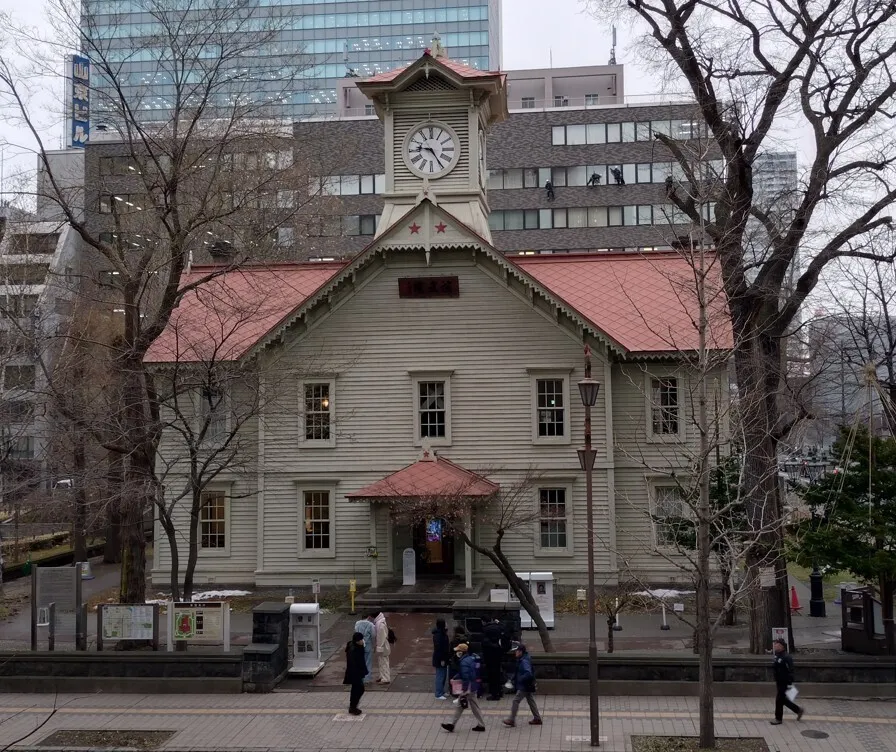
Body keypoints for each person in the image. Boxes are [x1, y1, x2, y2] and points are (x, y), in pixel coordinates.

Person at [441, 643, 486, 733]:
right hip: (472, 685)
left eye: (458, 651)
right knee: (468, 706)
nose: (456, 653)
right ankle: (453, 724)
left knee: (467, 706)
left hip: (469, 688)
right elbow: (465, 673)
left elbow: (465, 676)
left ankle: (452, 725)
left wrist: (465, 690)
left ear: (462, 652)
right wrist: (456, 677)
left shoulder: (464, 662)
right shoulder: (470, 659)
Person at [503, 642, 542, 727]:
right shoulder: (523, 658)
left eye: (516, 651)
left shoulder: (524, 661)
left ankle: (511, 720)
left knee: (515, 701)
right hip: (528, 684)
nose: (515, 652)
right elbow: (518, 671)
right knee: (530, 700)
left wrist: (520, 679)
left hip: (525, 685)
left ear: (521, 652)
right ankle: (537, 718)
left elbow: (528, 673)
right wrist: (513, 679)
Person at [771, 638, 804, 725]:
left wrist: (790, 682)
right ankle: (798, 710)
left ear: (782, 646)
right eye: (775, 644)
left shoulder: (786, 657)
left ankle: (778, 718)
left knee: (779, 700)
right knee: (783, 700)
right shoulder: (777, 655)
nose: (775, 646)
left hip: (784, 681)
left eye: (777, 645)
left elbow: (791, 670)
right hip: (779, 681)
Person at [343, 631, 369, 716]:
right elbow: (355, 663)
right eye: (361, 640)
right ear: (357, 641)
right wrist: (359, 673)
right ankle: (353, 707)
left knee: (356, 689)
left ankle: (353, 706)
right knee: (359, 689)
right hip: (355, 673)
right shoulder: (354, 650)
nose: (362, 641)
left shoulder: (356, 646)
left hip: (356, 673)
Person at [482, 617, 508, 700]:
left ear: (483, 622)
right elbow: (506, 630)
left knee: (492, 675)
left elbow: (485, 642)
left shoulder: (485, 629)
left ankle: (494, 694)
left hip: (490, 655)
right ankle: (499, 691)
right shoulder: (498, 627)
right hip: (498, 653)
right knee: (497, 673)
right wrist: (499, 622)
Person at [432, 617, 451, 699]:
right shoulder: (439, 635)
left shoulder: (441, 634)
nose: (447, 624)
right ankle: (438, 693)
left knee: (443, 675)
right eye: (445, 623)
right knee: (440, 676)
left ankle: (441, 691)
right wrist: (442, 659)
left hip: (443, 658)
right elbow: (439, 649)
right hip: (440, 659)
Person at [353, 612, 375, 683]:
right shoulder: (370, 624)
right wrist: (374, 644)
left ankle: (360, 677)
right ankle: (366, 679)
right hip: (368, 645)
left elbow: (356, 633)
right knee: (368, 662)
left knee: (360, 662)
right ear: (368, 617)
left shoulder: (357, 623)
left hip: (359, 645)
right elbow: (373, 635)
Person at [374, 611, 392, 683]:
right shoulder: (381, 622)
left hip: (383, 646)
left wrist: (379, 647)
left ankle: (385, 678)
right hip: (384, 645)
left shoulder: (380, 624)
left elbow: (381, 637)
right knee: (381, 662)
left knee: (384, 662)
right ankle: (382, 676)